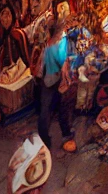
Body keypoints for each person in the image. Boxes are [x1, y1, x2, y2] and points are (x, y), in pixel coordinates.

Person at [34, 20, 76, 152]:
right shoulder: (61, 42)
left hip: (47, 80)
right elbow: (63, 63)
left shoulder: (49, 43)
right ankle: (65, 135)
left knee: (46, 110)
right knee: (60, 110)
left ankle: (45, 140)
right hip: (55, 80)